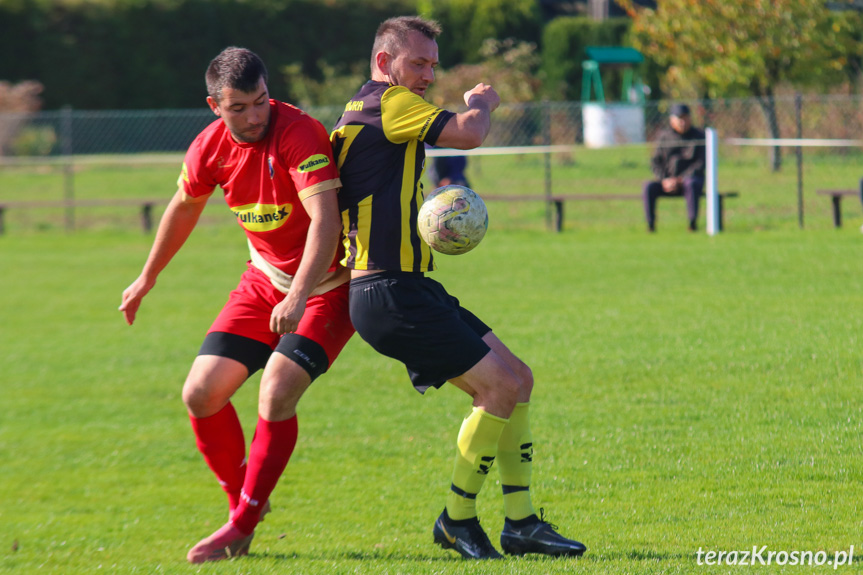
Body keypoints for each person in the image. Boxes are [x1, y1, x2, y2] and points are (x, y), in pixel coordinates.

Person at [331, 16, 586, 560]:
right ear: (384, 62)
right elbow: (468, 133)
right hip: (388, 293)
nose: (426, 75)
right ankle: (457, 519)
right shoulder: (387, 103)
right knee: (497, 388)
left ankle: (521, 524)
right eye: (417, 63)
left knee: (518, 378)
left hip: (406, 287)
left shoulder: (361, 110)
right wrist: (484, 102)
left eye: (431, 65)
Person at [119, 47, 354, 563]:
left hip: (328, 286)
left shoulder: (299, 132)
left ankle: (240, 527)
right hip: (263, 281)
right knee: (201, 393)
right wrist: (147, 277)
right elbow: (184, 208)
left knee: (275, 392)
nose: (254, 116)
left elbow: (326, 222)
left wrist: (298, 295)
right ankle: (242, 504)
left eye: (261, 101)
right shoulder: (208, 148)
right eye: (239, 107)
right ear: (214, 106)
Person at [643, 103, 706, 232]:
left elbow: (701, 163)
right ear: (672, 120)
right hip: (667, 182)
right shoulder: (664, 137)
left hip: (688, 181)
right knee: (648, 186)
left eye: (685, 118)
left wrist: (680, 180)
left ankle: (692, 224)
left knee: (692, 184)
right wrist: (664, 180)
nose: (682, 122)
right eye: (679, 118)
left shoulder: (699, 136)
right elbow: (655, 162)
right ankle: (650, 226)